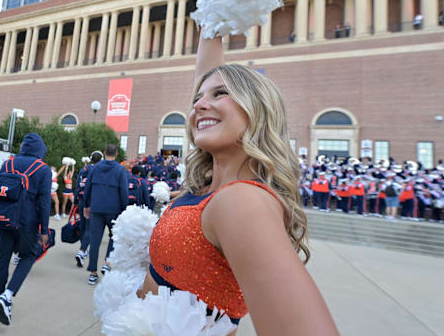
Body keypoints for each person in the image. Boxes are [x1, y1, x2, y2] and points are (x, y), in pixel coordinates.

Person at [142, 36, 338, 335]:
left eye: (220, 93)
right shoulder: (209, 186)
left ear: (256, 110)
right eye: (197, 99)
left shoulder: (241, 201)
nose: (199, 105)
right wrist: (213, 22)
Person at [0, 133, 51, 327]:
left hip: (3, 218)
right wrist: (44, 230)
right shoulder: (43, 169)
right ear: (41, 150)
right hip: (28, 223)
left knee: (2, 259)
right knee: (28, 256)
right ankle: (7, 296)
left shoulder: (8, 163)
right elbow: (44, 202)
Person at [82, 144, 129, 285]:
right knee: (114, 237)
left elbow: (87, 188)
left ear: (104, 153)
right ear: (116, 154)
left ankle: (92, 273)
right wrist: (124, 209)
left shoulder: (95, 168)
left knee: (95, 240)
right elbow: (124, 192)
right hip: (114, 209)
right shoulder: (120, 170)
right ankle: (107, 263)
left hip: (96, 208)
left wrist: (86, 205)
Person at [74, 150, 103, 267]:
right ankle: (83, 250)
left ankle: (83, 248)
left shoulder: (84, 169)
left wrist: (75, 200)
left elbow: (77, 185)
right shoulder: (99, 170)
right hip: (93, 201)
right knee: (90, 227)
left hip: (82, 200)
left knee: (83, 225)